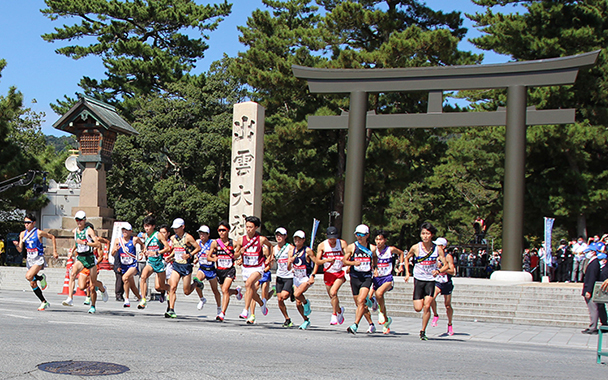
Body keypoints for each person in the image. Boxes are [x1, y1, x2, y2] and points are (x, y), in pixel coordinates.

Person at [404, 222, 448, 341]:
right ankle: (422, 300)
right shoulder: (416, 247)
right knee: (418, 308)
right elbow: (406, 258)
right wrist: (408, 273)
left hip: (430, 280)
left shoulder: (437, 249)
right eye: (423, 233)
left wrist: (438, 271)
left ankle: (423, 331)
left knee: (427, 306)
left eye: (427, 234)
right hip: (419, 279)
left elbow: (446, 265)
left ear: (432, 235)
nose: (425, 236)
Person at [62, 211, 109, 313]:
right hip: (81, 257)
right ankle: (70, 298)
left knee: (93, 285)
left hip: (90, 258)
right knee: (73, 274)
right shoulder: (75, 231)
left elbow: (96, 244)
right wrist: (72, 251)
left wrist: (85, 243)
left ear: (84, 220)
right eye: (77, 220)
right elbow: (76, 242)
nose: (79, 222)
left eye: (81, 220)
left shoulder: (89, 231)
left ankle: (98, 295)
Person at [13, 213, 58, 310]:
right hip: (29, 259)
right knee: (32, 283)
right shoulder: (22, 234)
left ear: (34, 223)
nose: (26, 225)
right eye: (25, 223)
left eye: (28, 222)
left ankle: (41, 278)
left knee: (28, 276)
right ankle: (43, 301)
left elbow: (52, 237)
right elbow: (20, 249)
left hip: (38, 258)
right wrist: (17, 245)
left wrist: (54, 251)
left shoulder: (38, 232)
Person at [234, 216, 273, 324]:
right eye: (247, 227)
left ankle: (245, 310)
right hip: (246, 267)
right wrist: (240, 253)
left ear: (256, 227)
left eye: (251, 227)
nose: (248, 229)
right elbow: (235, 254)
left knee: (248, 284)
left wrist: (270, 258)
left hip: (258, 267)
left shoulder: (261, 239)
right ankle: (261, 303)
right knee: (251, 290)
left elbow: (270, 246)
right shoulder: (241, 240)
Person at [206, 221, 242, 322]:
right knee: (224, 291)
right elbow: (208, 256)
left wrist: (240, 258)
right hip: (219, 270)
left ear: (228, 231)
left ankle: (222, 313)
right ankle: (236, 291)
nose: (221, 232)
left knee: (225, 290)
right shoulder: (215, 243)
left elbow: (239, 252)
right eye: (219, 230)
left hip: (229, 269)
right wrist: (214, 259)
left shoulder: (233, 243)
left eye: (223, 230)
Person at [344, 224, 376, 335]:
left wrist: (375, 269)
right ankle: (371, 324)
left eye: (362, 235)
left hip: (366, 277)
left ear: (367, 235)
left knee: (361, 301)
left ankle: (355, 325)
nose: (359, 237)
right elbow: (344, 260)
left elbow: (375, 259)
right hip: (355, 277)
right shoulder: (352, 247)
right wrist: (352, 263)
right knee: (360, 304)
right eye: (357, 234)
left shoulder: (372, 248)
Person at [165, 218, 201, 318]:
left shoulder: (188, 237)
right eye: (174, 228)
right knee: (172, 287)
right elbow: (175, 250)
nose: (175, 230)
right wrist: (171, 256)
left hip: (186, 266)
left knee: (187, 291)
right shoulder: (173, 238)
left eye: (177, 228)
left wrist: (189, 255)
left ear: (183, 227)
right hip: (176, 265)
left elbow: (198, 248)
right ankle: (171, 309)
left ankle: (196, 283)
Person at [372, 230, 404, 334]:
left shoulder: (390, 249)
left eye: (380, 239)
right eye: (376, 239)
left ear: (385, 240)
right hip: (376, 278)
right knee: (366, 299)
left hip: (387, 278)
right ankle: (386, 320)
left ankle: (381, 312)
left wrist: (400, 265)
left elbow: (401, 253)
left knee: (379, 293)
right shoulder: (372, 250)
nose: (378, 242)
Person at [137, 216, 171, 309]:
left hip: (159, 262)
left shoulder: (158, 235)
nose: (146, 228)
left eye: (148, 226)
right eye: (145, 226)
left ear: (153, 226)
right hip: (150, 262)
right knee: (143, 276)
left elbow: (167, 248)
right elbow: (146, 246)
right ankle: (143, 299)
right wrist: (143, 252)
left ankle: (170, 290)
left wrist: (156, 252)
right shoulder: (145, 235)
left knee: (160, 286)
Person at [316, 226, 347, 326]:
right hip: (328, 273)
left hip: (339, 272)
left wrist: (346, 263)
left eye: (334, 238)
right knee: (332, 296)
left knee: (333, 292)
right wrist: (326, 260)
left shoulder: (342, 243)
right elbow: (317, 261)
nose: (332, 240)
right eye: (330, 238)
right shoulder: (322, 245)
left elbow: (348, 256)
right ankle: (339, 311)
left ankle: (334, 314)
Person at [192, 225, 222, 317]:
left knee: (215, 290)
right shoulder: (198, 243)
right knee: (196, 282)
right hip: (202, 268)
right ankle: (202, 298)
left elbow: (217, 253)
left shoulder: (212, 243)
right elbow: (198, 254)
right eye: (200, 234)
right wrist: (196, 259)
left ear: (208, 234)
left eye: (203, 234)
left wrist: (213, 256)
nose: (201, 236)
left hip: (211, 269)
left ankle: (219, 308)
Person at [111, 223, 144, 307]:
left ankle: (126, 299)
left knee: (124, 278)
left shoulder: (134, 239)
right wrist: (115, 250)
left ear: (131, 231)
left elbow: (143, 245)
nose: (124, 232)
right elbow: (112, 253)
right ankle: (141, 299)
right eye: (123, 230)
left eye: (126, 230)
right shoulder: (118, 240)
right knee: (132, 285)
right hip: (124, 265)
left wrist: (142, 252)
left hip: (132, 265)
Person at [429, 237, 456, 336]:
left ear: (443, 247)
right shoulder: (434, 255)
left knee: (447, 305)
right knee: (431, 298)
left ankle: (449, 324)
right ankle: (435, 315)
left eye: (438, 245)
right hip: (437, 281)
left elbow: (453, 271)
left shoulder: (448, 256)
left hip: (447, 282)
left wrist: (441, 269)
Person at [291, 230, 317, 330]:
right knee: (297, 303)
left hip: (305, 278)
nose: (297, 241)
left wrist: (313, 276)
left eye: (299, 239)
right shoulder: (292, 251)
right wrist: (290, 264)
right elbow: (289, 266)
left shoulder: (308, 251)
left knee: (297, 294)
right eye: (295, 238)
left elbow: (317, 262)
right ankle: (306, 320)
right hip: (296, 277)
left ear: (304, 240)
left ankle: (306, 303)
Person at [581, 244, 607, 334]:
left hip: (590, 289)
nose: (586, 254)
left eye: (588, 252)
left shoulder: (594, 263)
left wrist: (589, 290)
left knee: (593, 308)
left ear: (593, 252)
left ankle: (593, 327)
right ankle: (593, 325)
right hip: (588, 287)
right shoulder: (592, 262)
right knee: (592, 308)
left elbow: (592, 278)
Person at [273, 227, 295, 327]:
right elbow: (272, 259)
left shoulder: (290, 247)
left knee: (284, 296)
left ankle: (292, 291)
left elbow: (296, 258)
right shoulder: (274, 248)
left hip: (289, 275)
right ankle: (287, 318)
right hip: (279, 276)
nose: (279, 237)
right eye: (277, 235)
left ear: (285, 236)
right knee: (280, 299)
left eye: (281, 235)